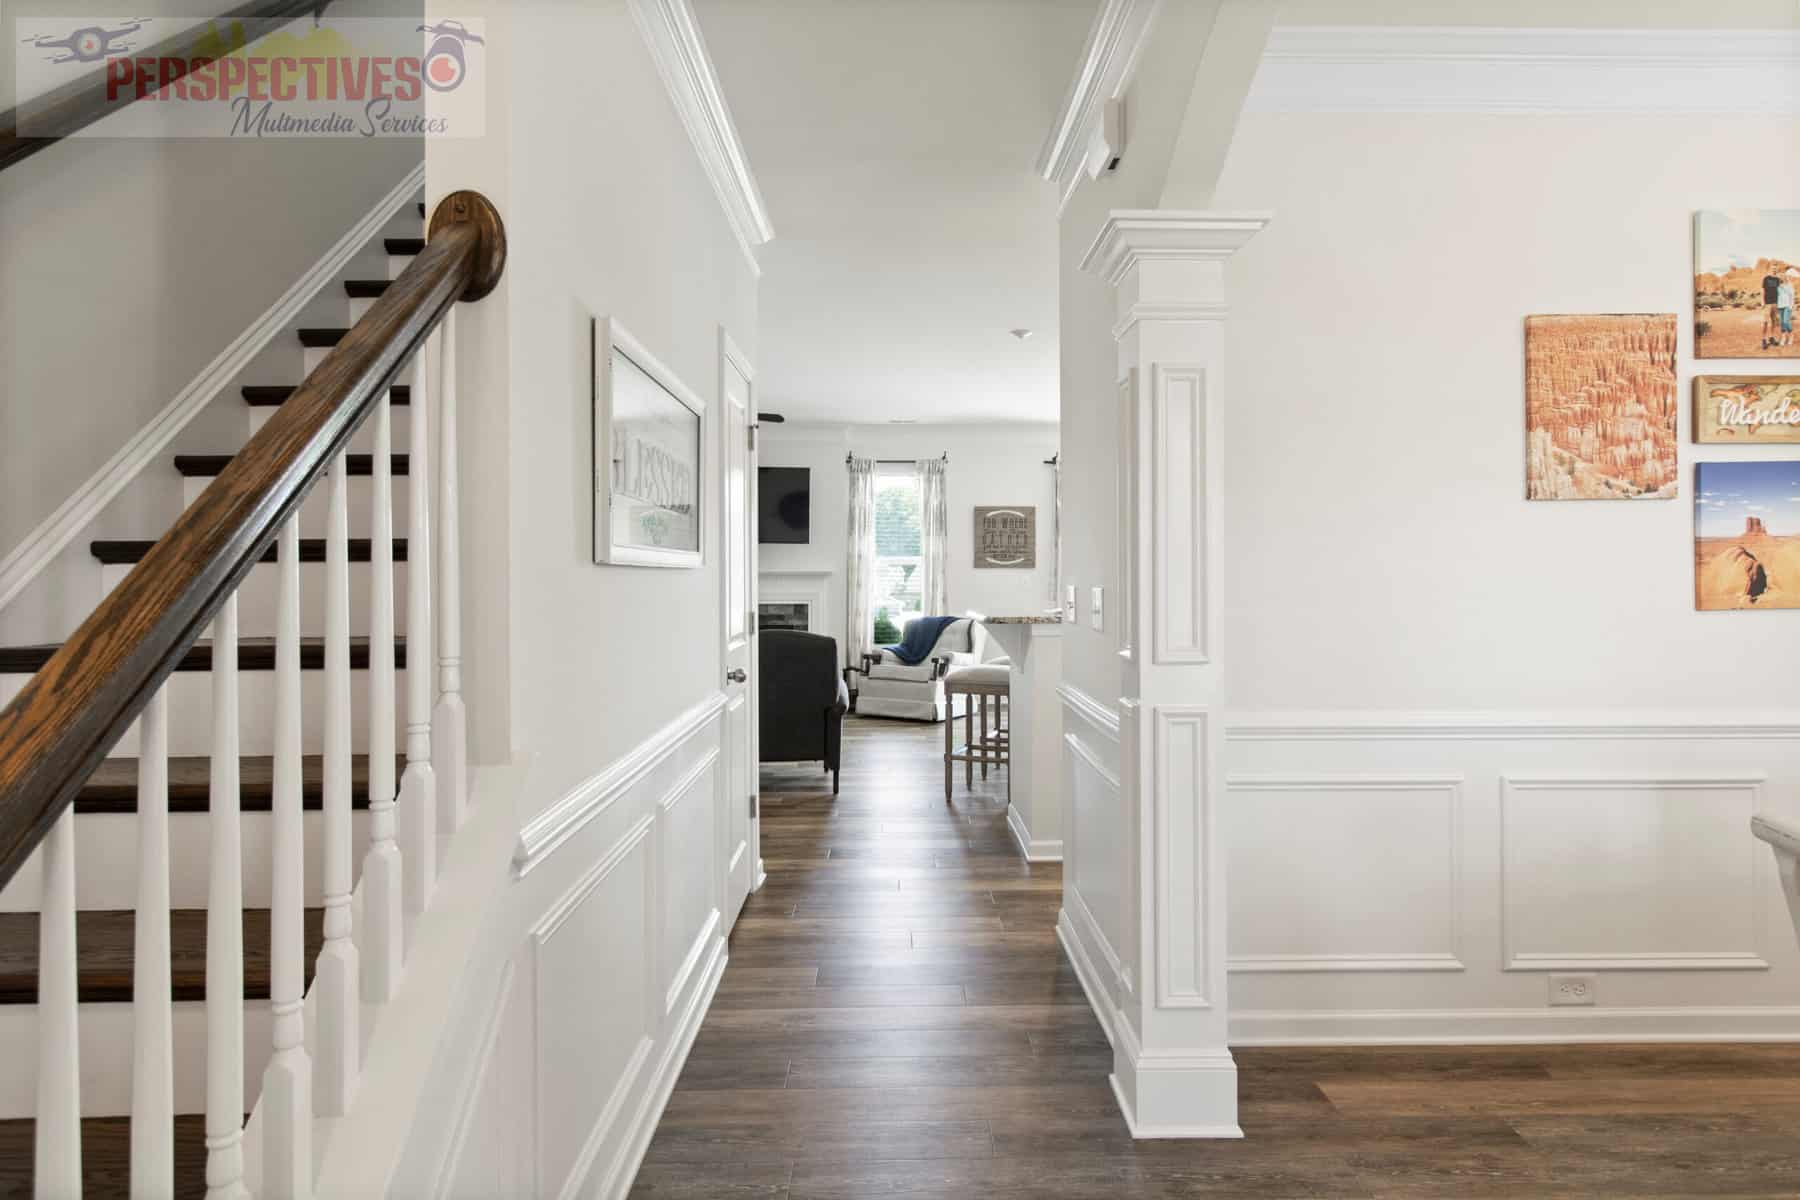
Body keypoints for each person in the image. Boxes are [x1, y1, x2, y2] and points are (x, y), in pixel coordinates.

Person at [1764, 267, 1785, 349]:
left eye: (1776, 269)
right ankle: (1764, 339)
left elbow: (1781, 289)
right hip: (1768, 302)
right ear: (1770, 269)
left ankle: (1771, 337)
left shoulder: (1777, 280)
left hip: (1775, 303)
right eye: (1773, 268)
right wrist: (1763, 301)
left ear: (1777, 270)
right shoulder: (1766, 278)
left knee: (1774, 321)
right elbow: (1763, 290)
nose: (1774, 270)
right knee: (1765, 321)